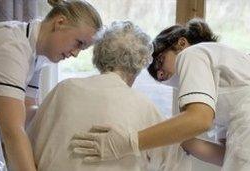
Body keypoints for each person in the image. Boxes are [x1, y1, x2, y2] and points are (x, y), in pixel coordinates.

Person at [71, 18, 250, 171]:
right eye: (157, 75)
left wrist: (129, 142)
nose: (161, 73)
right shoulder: (226, 85)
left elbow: (199, 120)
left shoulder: (194, 53)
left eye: (160, 62)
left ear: (181, 43)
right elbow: (226, 156)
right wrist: (176, 138)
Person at [26, 21, 190, 171]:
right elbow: (176, 163)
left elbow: (29, 145)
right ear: (140, 64)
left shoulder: (63, 89)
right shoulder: (145, 107)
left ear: (99, 55)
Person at [0, 0, 102, 170]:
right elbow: (12, 130)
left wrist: (70, 116)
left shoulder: (36, 52)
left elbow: (28, 110)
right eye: (78, 43)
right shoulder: (10, 47)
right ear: (60, 22)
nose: (75, 54)